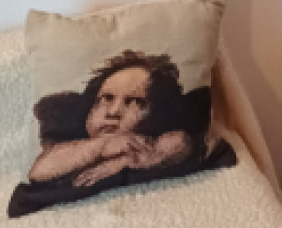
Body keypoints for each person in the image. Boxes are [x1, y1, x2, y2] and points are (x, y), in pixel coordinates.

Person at [28, 51, 197, 189]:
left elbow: (179, 141)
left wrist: (125, 160)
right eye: (106, 98)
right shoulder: (69, 145)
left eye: (134, 102)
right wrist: (104, 146)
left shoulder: (146, 144)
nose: (113, 112)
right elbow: (39, 171)